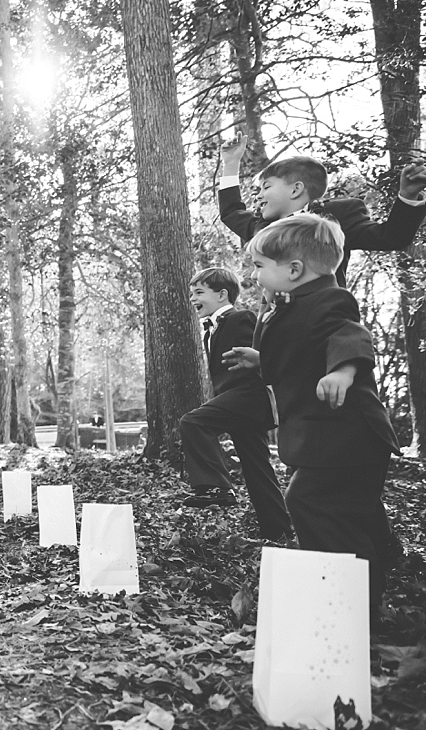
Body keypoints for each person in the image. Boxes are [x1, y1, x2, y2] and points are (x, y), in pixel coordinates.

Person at [224, 214, 400, 611]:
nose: (254, 276)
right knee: (344, 509)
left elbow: (348, 334)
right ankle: (365, 574)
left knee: (310, 503)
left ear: (294, 269)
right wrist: (260, 359)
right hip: (328, 438)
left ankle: (354, 606)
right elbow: (300, 356)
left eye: (259, 266)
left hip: (351, 434)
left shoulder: (329, 299)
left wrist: (343, 369)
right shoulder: (291, 304)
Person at [218, 135, 425, 288]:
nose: (258, 195)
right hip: (281, 325)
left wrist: (407, 196)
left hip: (326, 319)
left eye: (267, 187)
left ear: (296, 189)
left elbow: (391, 237)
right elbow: (231, 212)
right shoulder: (263, 229)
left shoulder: (338, 216)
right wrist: (230, 163)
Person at [179, 267, 291, 541]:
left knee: (193, 422)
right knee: (258, 470)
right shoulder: (210, 327)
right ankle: (278, 532)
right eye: (191, 293)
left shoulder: (240, 318)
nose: (193, 298)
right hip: (236, 403)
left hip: (247, 397)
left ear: (222, 295)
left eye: (199, 293)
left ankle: (216, 487)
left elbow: (257, 357)